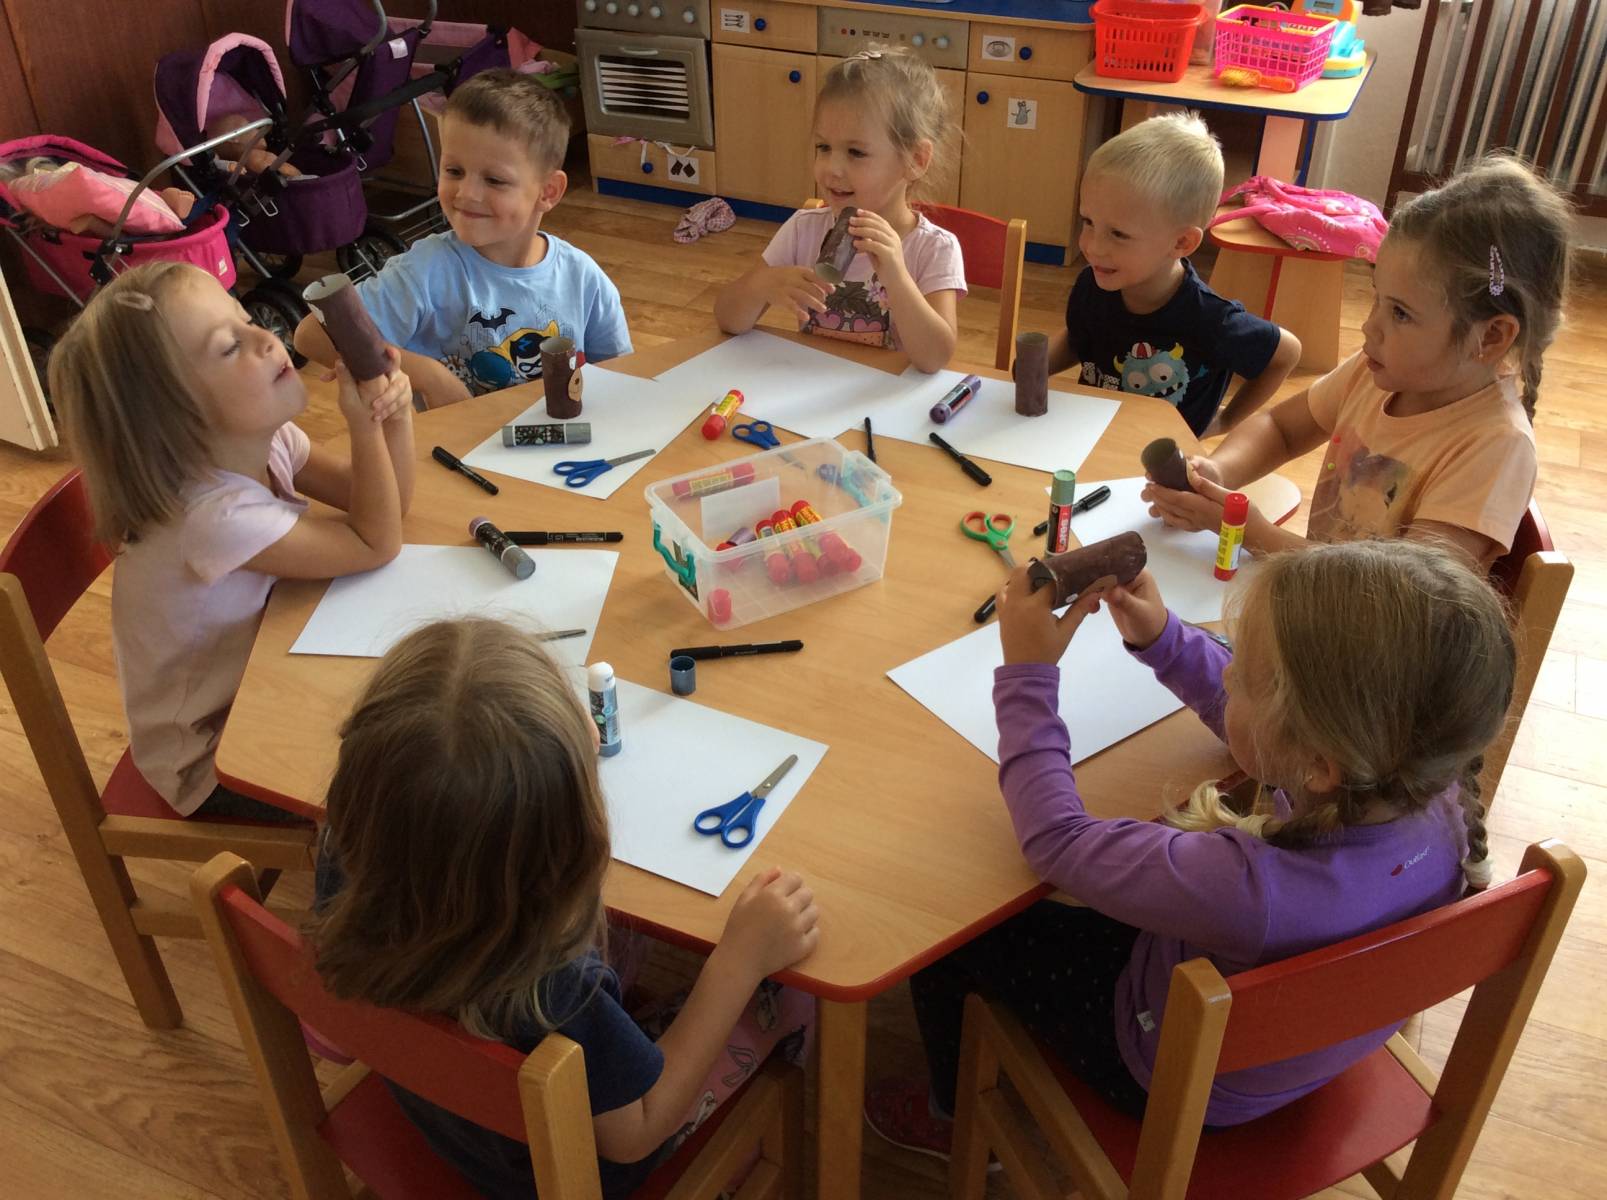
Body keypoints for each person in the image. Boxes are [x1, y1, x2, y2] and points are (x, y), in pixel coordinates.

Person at [865, 540, 1510, 1156]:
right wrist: (1163, 637)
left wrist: (1027, 675)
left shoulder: (1247, 890)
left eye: (1243, 674)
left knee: (954, 931)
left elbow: (1055, 840)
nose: (1226, 669)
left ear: (1318, 760)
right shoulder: (1427, 793)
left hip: (1171, 1074)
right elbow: (1271, 741)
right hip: (1308, 1044)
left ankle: (947, 1116)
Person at [309, 618, 818, 1198]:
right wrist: (738, 962)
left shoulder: (343, 858)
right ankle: (744, 1163)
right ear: (566, 844)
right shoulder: (556, 992)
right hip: (567, 1167)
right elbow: (636, 1131)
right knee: (794, 990)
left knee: (630, 938)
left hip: (441, 1116)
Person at [50, 261, 412, 820]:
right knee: (401, 791)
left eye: (246, 318)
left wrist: (393, 413)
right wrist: (365, 424)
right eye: (229, 346)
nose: (266, 337)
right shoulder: (213, 517)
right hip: (209, 758)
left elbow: (385, 508)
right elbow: (375, 541)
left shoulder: (266, 440)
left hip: (260, 680)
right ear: (170, 416)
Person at [1145, 154, 1573, 569]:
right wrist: (1218, 472)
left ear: (1491, 337)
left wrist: (1251, 532)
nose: (1370, 327)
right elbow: (1280, 430)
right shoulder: (1380, 373)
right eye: (1377, 298)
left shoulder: (1496, 448)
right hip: (1313, 590)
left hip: (1370, 615)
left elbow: (1403, 591)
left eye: (1400, 313)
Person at [295, 69, 631, 407]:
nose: (467, 194)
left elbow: (621, 377)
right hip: (456, 438)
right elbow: (312, 335)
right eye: (454, 171)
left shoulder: (582, 277)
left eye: (495, 180)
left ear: (548, 192)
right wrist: (427, 374)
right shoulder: (427, 270)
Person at [1044, 112, 1301, 438]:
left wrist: (1226, 421)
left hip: (1162, 463)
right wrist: (1033, 367)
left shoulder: (1213, 322)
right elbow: (1078, 337)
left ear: (1182, 243)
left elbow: (1286, 353)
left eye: (1118, 234)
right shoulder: (1093, 284)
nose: (1093, 247)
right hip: (1089, 440)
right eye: (1088, 222)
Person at [713, 46, 964, 373]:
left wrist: (897, 277)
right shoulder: (804, 230)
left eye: (856, 152)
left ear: (915, 161)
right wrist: (759, 285)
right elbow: (728, 321)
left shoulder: (933, 249)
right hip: (810, 386)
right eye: (824, 147)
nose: (832, 168)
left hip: (886, 395)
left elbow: (934, 359)